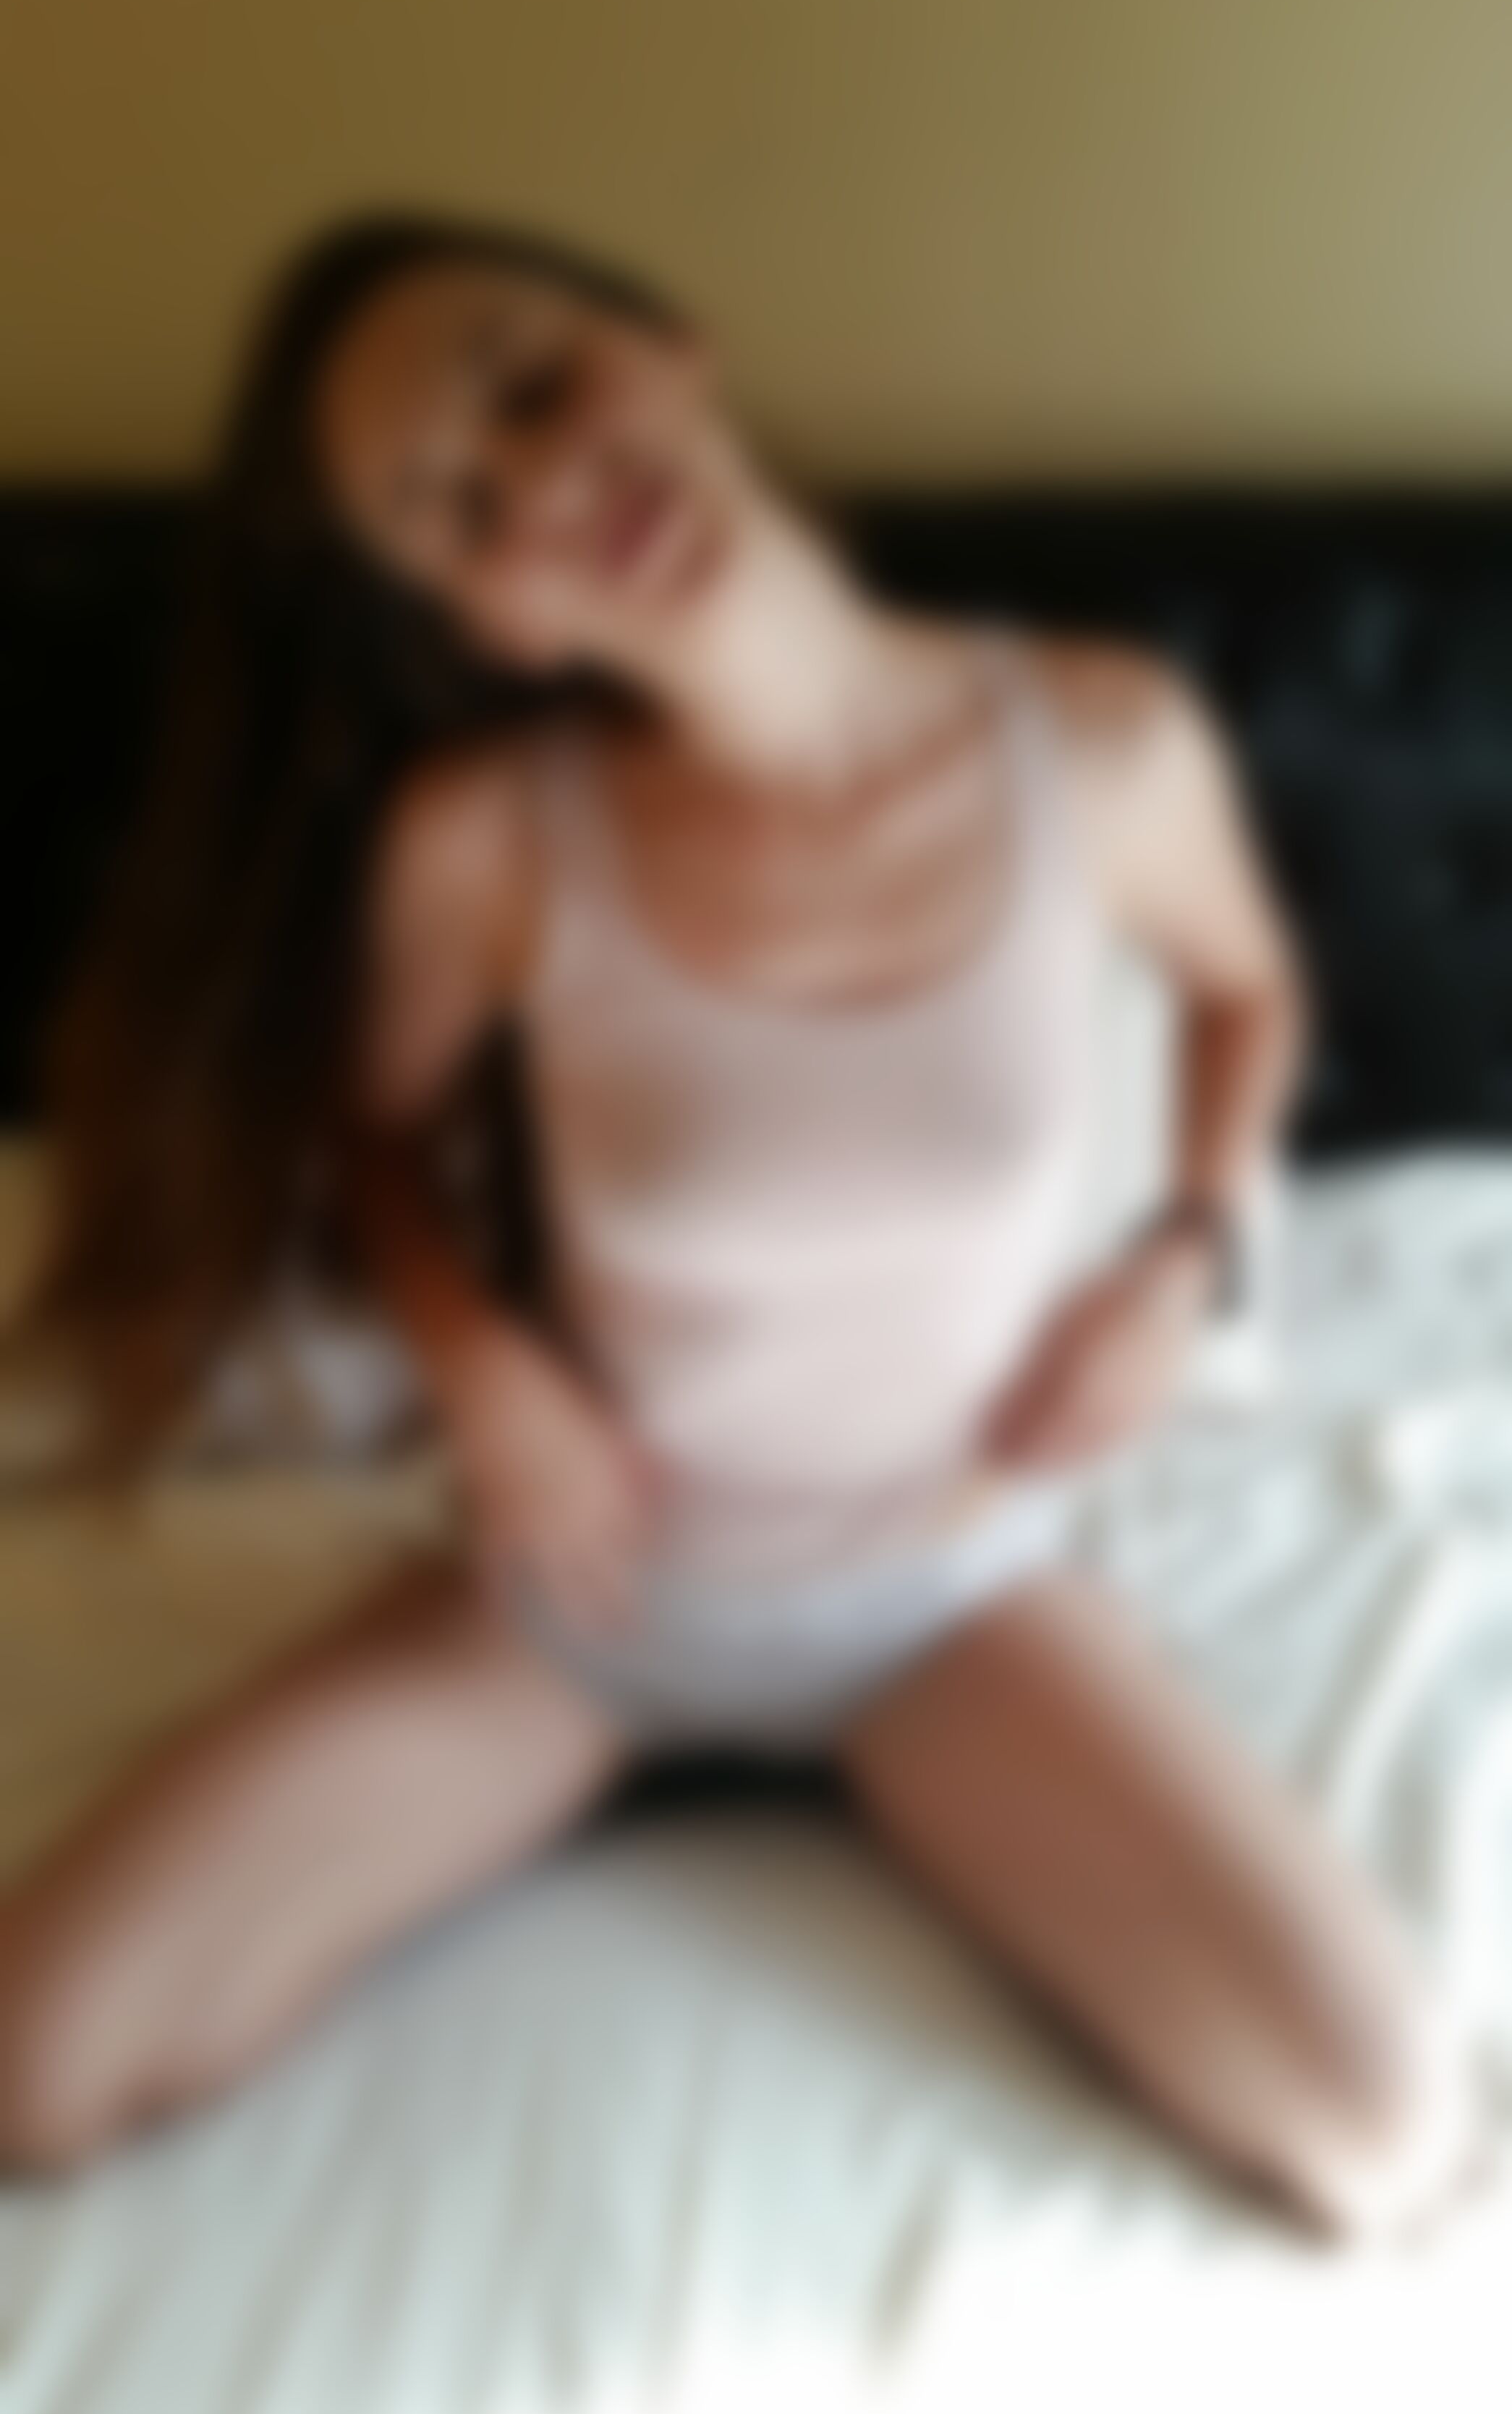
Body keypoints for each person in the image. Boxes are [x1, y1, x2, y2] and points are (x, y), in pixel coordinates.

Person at [0, 213, 1482, 2236]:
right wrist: (470, 1353)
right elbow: (364, 1134)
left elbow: (1250, 988)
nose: (542, 488)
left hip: (947, 1596)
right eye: (462, 510)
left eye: (534, 386)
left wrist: (1184, 1255)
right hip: (591, 1601)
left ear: (669, 341)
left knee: (1380, 2125)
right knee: (38, 2064)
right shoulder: (487, 842)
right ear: (489, 619)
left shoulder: (1104, 746)